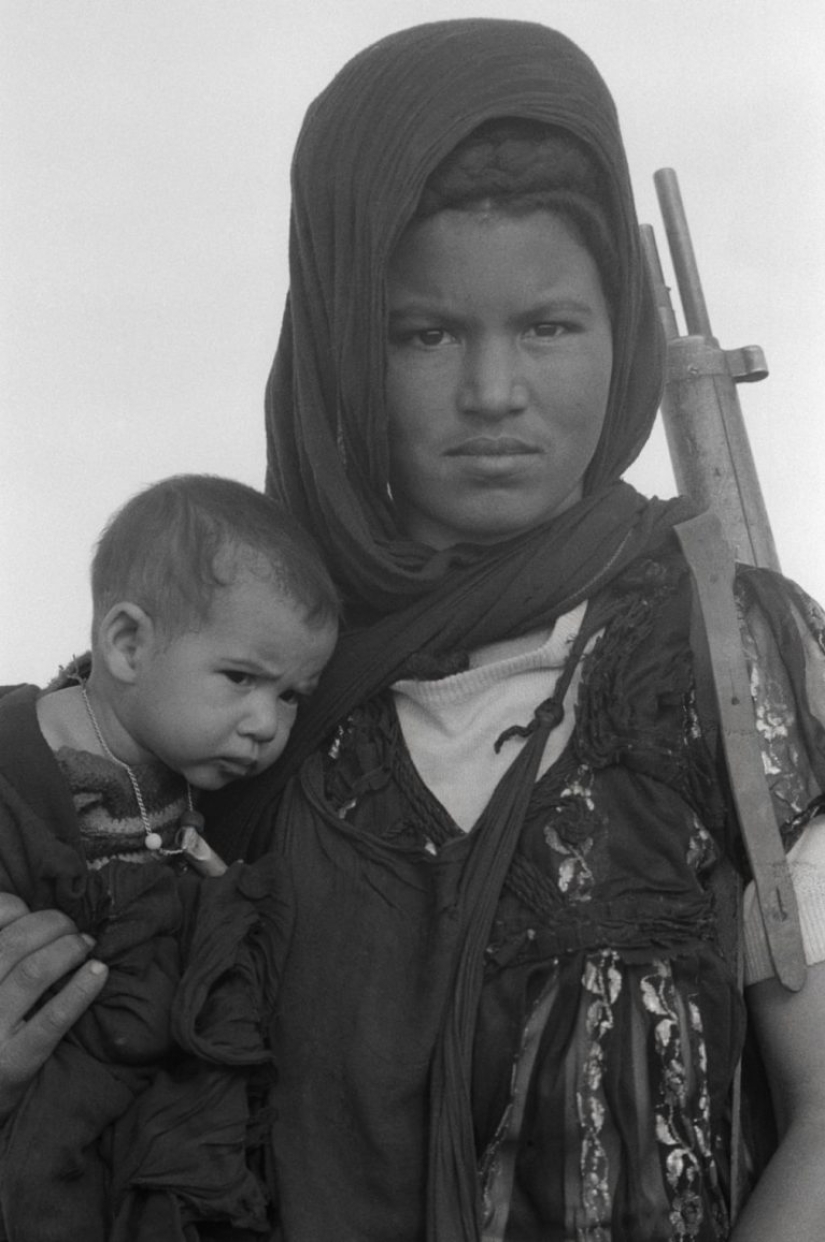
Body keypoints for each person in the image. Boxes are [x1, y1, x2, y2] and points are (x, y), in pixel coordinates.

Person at [2, 18, 825, 1241]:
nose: (494, 394)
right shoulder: (227, 693)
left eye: (550, 325)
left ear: (624, 334)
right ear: (343, 347)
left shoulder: (724, 653)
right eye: (426, 334)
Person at [0, 473, 338, 1240]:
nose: (266, 724)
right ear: (127, 644)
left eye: (292, 695)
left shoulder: (192, 787)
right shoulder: (20, 765)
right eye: (241, 678)